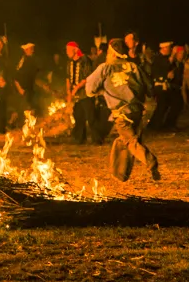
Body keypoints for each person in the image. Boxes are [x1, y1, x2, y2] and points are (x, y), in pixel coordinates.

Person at [86, 38, 161, 181]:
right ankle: (120, 174)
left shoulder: (105, 68)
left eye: (108, 52)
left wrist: (101, 91)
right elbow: (149, 87)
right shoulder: (133, 66)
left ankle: (151, 162)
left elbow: (89, 89)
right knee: (123, 141)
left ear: (113, 53)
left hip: (121, 114)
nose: (107, 55)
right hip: (137, 111)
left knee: (130, 142)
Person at [65, 41, 99, 143]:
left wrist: (76, 88)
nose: (67, 52)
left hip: (86, 93)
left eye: (68, 50)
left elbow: (86, 77)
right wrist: (69, 92)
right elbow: (68, 78)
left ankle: (97, 139)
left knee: (91, 117)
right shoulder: (70, 62)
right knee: (78, 117)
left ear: (75, 50)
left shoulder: (85, 60)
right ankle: (80, 139)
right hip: (76, 96)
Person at [147, 42, 175, 131]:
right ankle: (155, 125)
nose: (171, 50)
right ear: (164, 48)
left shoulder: (163, 58)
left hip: (163, 84)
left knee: (164, 105)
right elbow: (165, 66)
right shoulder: (158, 58)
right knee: (161, 106)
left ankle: (155, 124)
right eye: (169, 48)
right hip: (159, 85)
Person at [14, 42, 44, 114]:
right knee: (25, 110)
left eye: (33, 49)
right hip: (24, 90)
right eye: (31, 49)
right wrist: (19, 88)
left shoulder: (34, 60)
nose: (33, 51)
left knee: (34, 109)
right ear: (25, 50)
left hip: (32, 89)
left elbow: (38, 73)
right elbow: (15, 76)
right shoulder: (22, 61)